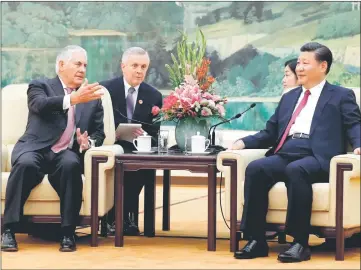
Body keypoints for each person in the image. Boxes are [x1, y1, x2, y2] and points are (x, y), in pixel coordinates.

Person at [230, 42, 361, 263]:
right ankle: (256, 239)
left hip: (318, 156)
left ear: (322, 66)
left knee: (296, 170)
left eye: (305, 63)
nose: (299, 68)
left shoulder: (340, 95)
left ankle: (299, 242)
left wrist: (359, 143)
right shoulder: (290, 97)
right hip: (287, 151)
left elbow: (353, 124)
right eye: (298, 62)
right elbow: (270, 132)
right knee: (256, 168)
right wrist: (242, 143)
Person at [1, 45, 105, 252]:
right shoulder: (40, 85)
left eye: (85, 65)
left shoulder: (91, 99)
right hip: (35, 148)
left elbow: (99, 133)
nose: (82, 69)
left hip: (65, 152)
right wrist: (72, 99)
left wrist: (88, 143)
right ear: (61, 65)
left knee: (71, 164)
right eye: (77, 64)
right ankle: (9, 230)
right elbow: (40, 105)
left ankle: (67, 233)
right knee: (25, 164)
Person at [100, 47, 162, 236]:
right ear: (123, 66)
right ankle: (114, 217)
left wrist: (143, 135)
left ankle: (123, 217)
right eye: (134, 65)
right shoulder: (105, 90)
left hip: (137, 148)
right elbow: (94, 122)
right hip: (109, 145)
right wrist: (112, 135)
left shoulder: (154, 95)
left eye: (143, 66)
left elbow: (154, 132)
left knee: (140, 166)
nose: (139, 71)